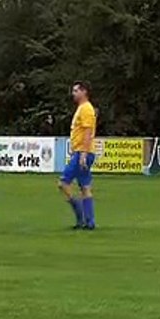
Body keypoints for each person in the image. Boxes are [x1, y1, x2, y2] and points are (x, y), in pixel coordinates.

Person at [59, 81, 97, 229]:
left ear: (84, 92)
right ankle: (90, 222)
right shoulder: (82, 108)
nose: (73, 94)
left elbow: (88, 132)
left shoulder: (86, 109)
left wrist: (83, 154)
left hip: (83, 152)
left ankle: (80, 216)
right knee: (85, 187)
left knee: (63, 183)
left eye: (75, 91)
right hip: (83, 151)